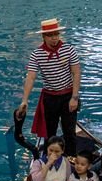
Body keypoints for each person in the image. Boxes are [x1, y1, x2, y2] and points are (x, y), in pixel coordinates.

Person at [15, 18, 82, 155]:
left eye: (56, 34)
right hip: (50, 97)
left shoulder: (69, 49)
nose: (54, 38)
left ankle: (71, 160)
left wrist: (74, 97)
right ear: (44, 37)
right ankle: (49, 160)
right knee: (49, 132)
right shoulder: (37, 54)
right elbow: (31, 77)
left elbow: (76, 73)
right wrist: (25, 100)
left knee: (69, 132)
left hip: (68, 96)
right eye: (50, 35)